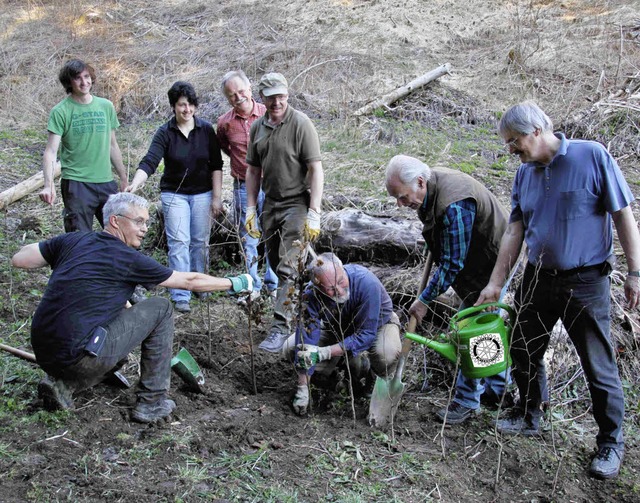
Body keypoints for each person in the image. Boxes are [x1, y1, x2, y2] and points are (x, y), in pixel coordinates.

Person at [475, 101, 640, 479]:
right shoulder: (524, 174)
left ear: (536, 131)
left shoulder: (591, 156)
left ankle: (611, 443)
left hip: (586, 281)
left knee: (597, 365)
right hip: (536, 277)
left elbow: (623, 215)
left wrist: (636, 272)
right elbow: (514, 231)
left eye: (514, 141)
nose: (511, 150)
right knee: (522, 347)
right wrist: (496, 283)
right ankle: (530, 413)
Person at [11, 192, 252, 423]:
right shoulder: (128, 259)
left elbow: (20, 258)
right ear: (115, 221)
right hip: (78, 358)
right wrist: (234, 282)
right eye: (138, 222)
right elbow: (188, 281)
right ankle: (152, 401)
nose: (145, 228)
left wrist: (61, 256)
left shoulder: (73, 241)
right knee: (161, 307)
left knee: (126, 309)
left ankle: (63, 385)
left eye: (146, 222)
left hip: (44, 352)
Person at [385, 154, 512, 425]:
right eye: (397, 198)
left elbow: (453, 263)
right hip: (474, 261)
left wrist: (424, 299)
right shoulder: (428, 189)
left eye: (403, 197)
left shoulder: (454, 203)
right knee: (487, 327)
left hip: (494, 263)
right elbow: (445, 242)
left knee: (471, 329)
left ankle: (467, 401)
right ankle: (500, 391)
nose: (400, 204)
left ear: (420, 182)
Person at [126, 81, 223, 314]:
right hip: (174, 194)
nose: (186, 109)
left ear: (196, 106)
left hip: (202, 193)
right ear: (173, 106)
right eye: (181, 105)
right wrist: (135, 183)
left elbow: (217, 165)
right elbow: (150, 161)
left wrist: (217, 197)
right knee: (179, 242)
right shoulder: (165, 132)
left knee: (200, 242)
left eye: (190, 104)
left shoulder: (206, 130)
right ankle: (181, 293)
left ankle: (201, 285)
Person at [245, 72, 324, 352]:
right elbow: (253, 170)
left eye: (281, 95)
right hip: (271, 203)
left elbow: (315, 169)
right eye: (271, 96)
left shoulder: (301, 124)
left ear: (287, 95)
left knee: (289, 266)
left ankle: (279, 328)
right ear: (262, 98)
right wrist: (251, 208)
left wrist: (314, 212)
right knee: (278, 265)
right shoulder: (257, 128)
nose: (277, 101)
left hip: (297, 204)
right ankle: (300, 309)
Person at [282, 253, 401, 416]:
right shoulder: (311, 295)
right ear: (317, 287)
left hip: (379, 324)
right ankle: (336, 378)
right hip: (338, 329)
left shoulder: (366, 282)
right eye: (330, 288)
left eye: (340, 281)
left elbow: (366, 334)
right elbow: (307, 342)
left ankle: (372, 377)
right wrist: (302, 387)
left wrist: (326, 352)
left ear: (342, 268)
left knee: (385, 355)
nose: (339, 290)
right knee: (291, 348)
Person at [40, 59, 127, 233]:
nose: (84, 82)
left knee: (119, 236)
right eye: (78, 78)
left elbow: (112, 145)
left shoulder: (106, 106)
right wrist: (48, 185)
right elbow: (51, 151)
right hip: (77, 184)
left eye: (87, 77)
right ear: (69, 82)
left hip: (106, 183)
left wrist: (123, 178)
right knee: (79, 239)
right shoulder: (61, 111)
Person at [217, 70, 278, 305]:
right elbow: (226, 149)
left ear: (250, 90)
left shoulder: (268, 113)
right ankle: (253, 284)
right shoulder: (224, 123)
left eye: (241, 91)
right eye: (232, 95)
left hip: (272, 183)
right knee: (249, 235)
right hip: (243, 185)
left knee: (273, 233)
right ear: (227, 98)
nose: (238, 97)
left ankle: (273, 283)